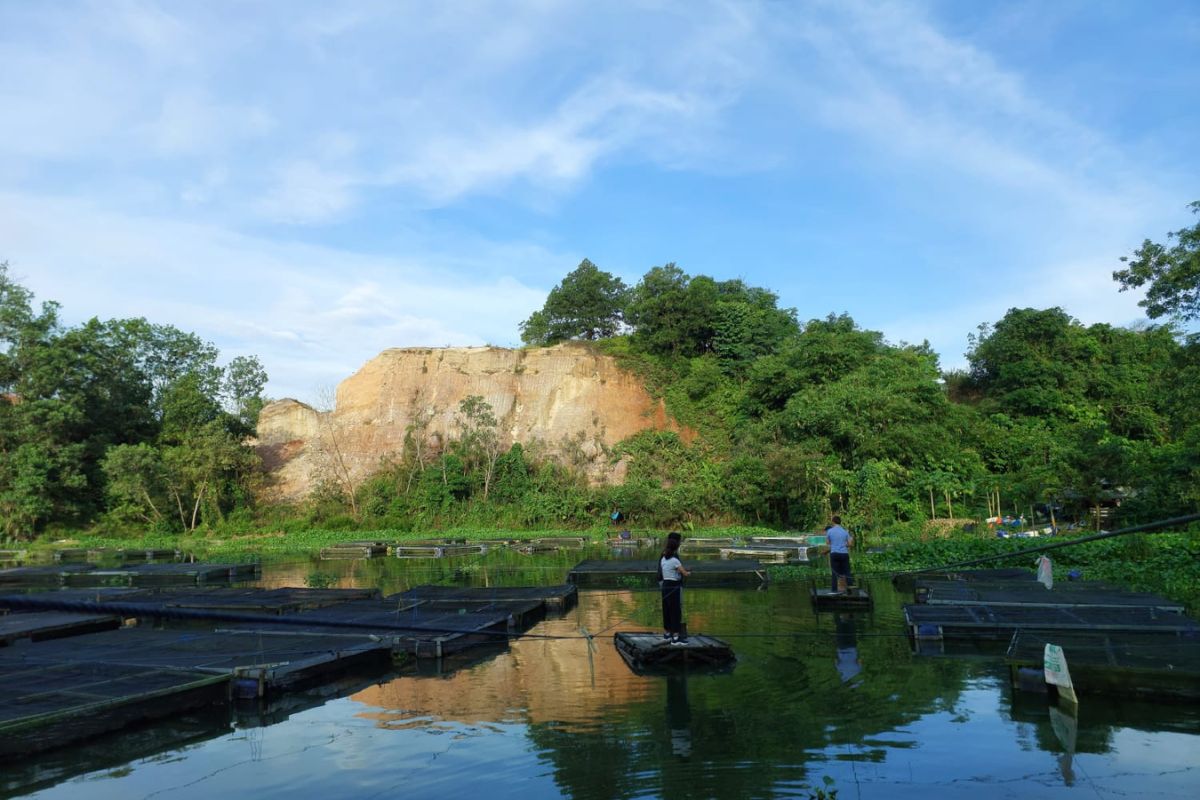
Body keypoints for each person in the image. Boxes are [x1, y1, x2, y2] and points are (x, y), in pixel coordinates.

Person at [660, 532, 690, 644]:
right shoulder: (675, 560)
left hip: (665, 586)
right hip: (674, 587)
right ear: (676, 548)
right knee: (675, 611)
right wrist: (688, 573)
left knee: (666, 609)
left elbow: (670, 570)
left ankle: (667, 633)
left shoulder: (663, 559)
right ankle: (676, 637)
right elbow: (684, 573)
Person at [827, 515, 853, 593]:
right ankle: (850, 589)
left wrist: (835, 543)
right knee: (847, 572)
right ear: (840, 522)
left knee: (834, 572)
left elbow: (828, 542)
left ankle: (834, 590)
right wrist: (844, 544)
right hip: (844, 554)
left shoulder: (830, 531)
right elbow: (850, 544)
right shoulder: (845, 531)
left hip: (834, 554)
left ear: (833, 522)